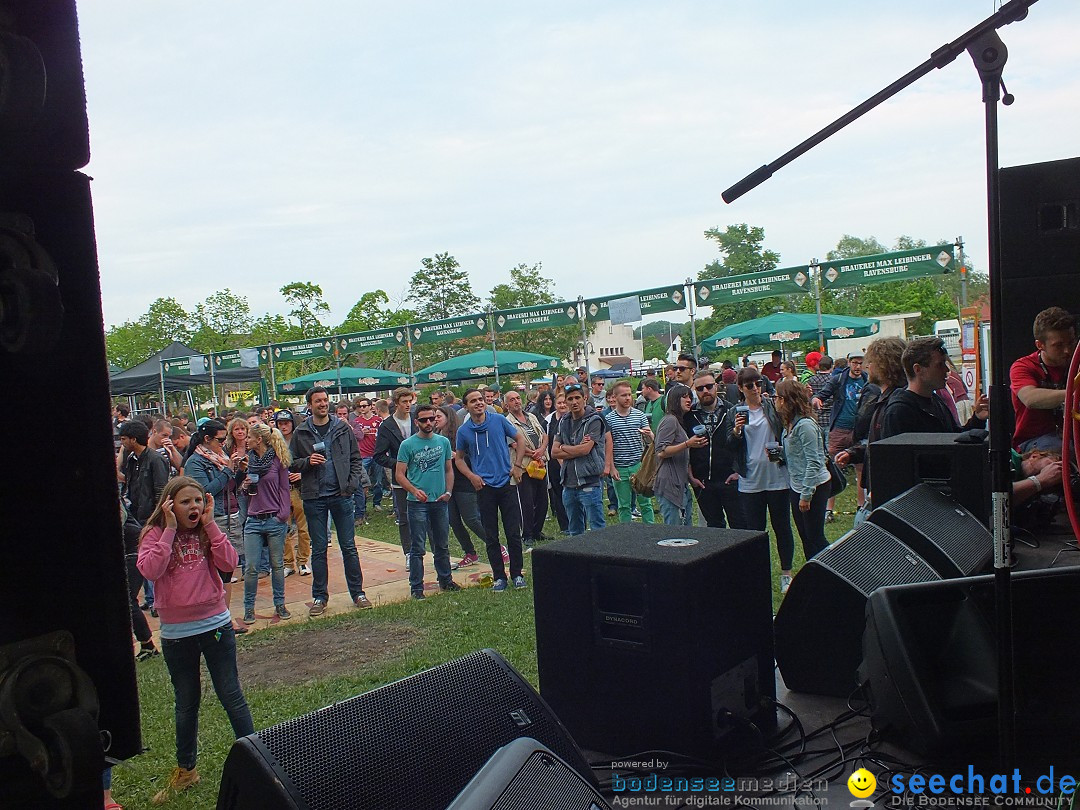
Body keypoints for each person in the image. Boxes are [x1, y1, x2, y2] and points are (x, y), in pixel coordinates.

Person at [136, 477, 254, 805]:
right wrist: (170, 529)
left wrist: (212, 525)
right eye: (185, 502)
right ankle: (186, 769)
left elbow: (230, 564)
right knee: (187, 701)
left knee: (231, 693)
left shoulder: (206, 530)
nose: (194, 507)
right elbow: (150, 571)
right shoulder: (155, 534)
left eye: (198, 501)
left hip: (215, 626)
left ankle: (259, 755)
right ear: (169, 504)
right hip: (177, 634)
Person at [289, 386, 371, 616]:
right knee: (318, 550)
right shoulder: (301, 432)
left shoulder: (342, 428)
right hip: (314, 497)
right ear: (310, 405)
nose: (323, 404)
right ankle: (319, 597)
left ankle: (358, 593)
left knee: (349, 547)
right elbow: (291, 462)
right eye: (318, 401)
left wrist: (351, 484)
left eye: (325, 400)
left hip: (341, 495)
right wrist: (307, 462)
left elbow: (356, 458)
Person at [725, 367, 795, 593]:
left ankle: (786, 573)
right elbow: (729, 445)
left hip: (776, 475)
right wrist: (736, 431)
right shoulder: (735, 411)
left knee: (782, 526)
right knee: (755, 530)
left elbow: (787, 428)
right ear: (740, 388)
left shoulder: (772, 406)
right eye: (749, 385)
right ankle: (758, 573)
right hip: (750, 478)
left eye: (758, 383)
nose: (755, 388)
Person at [456, 389, 528, 590]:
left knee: (513, 532)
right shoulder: (464, 431)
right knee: (491, 534)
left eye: (480, 399)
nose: (479, 403)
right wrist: (471, 476)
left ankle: (517, 574)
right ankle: (499, 577)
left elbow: (520, 440)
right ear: (466, 406)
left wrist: (518, 466)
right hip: (484, 486)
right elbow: (459, 458)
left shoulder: (498, 420)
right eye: (473, 401)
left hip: (505, 482)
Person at [182, 419, 247, 634]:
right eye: (220, 440)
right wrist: (228, 471)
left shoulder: (221, 459)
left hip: (230, 515)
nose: (224, 443)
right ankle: (217, 620)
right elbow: (204, 494)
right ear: (207, 439)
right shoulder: (195, 462)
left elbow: (231, 488)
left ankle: (223, 619)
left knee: (227, 570)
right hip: (215, 519)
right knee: (216, 572)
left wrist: (240, 472)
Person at [834, 337, 907, 518]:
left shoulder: (897, 403)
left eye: (871, 361)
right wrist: (856, 452)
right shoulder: (885, 398)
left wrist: (879, 490)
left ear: (884, 365)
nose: (867, 366)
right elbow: (881, 441)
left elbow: (894, 453)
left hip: (889, 496)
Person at [397, 403, 460, 598]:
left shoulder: (443, 442)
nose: (429, 423)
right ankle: (416, 587)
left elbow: (449, 469)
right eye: (424, 420)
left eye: (432, 418)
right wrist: (414, 491)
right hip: (417, 503)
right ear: (416, 422)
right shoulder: (407, 445)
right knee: (418, 547)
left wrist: (448, 492)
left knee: (441, 544)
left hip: (440, 501)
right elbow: (400, 474)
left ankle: (446, 580)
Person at [773, 380, 831, 581]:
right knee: (806, 537)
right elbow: (796, 454)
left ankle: (833, 570)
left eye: (778, 397)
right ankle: (815, 576)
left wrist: (806, 495)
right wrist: (779, 454)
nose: (775, 401)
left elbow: (814, 461)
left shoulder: (804, 425)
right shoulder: (789, 423)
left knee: (816, 536)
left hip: (814, 486)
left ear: (787, 400)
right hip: (796, 485)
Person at [880, 337, 989, 438]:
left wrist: (977, 418)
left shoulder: (936, 401)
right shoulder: (899, 412)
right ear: (918, 369)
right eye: (940, 365)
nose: (946, 370)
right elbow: (893, 456)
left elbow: (954, 439)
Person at [239, 422, 293, 624]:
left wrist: (282, 515)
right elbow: (243, 493)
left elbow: (284, 489)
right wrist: (244, 485)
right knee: (251, 567)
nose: (246, 440)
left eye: (249, 437)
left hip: (274, 519)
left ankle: (280, 604)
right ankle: (249, 608)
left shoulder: (277, 461)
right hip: (253, 520)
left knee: (277, 565)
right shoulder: (248, 462)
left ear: (258, 439)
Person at [1010, 306, 1077, 451]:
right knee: (1062, 450)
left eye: (1071, 342)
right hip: (1034, 441)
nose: (1068, 350)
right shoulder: (1023, 366)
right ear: (1040, 345)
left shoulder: (1076, 362)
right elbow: (1030, 398)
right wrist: (1073, 394)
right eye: (1058, 346)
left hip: (1072, 436)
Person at [812, 350, 869, 514]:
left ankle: (861, 507)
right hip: (839, 428)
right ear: (849, 362)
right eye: (854, 362)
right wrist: (816, 400)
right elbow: (821, 395)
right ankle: (829, 508)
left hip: (858, 430)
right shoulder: (838, 379)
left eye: (860, 363)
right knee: (832, 467)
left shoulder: (868, 381)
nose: (857, 366)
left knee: (861, 468)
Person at [552, 382, 611, 536]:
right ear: (566, 402)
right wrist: (574, 449)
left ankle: (599, 558)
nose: (574, 402)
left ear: (585, 398)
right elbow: (553, 452)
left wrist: (564, 447)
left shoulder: (594, 420)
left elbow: (585, 450)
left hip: (589, 481)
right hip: (569, 483)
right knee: (575, 530)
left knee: (597, 528)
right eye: (570, 399)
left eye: (577, 397)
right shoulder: (563, 421)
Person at [684, 371, 741, 528]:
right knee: (714, 528)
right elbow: (685, 449)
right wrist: (691, 476)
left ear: (716, 386)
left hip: (729, 479)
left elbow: (743, 444)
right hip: (703, 483)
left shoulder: (731, 410)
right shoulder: (689, 415)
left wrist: (738, 471)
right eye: (700, 388)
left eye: (709, 386)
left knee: (739, 526)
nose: (705, 391)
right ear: (695, 390)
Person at [373, 387, 418, 565]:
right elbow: (378, 455)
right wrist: (398, 464)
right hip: (400, 478)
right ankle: (409, 552)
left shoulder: (417, 420)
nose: (408, 405)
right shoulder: (387, 426)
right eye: (404, 402)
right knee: (404, 516)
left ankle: (429, 550)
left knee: (427, 515)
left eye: (410, 401)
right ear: (396, 403)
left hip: (422, 475)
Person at [436, 404, 485, 567]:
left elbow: (474, 459)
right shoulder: (436, 437)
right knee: (454, 521)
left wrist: (458, 456)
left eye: (438, 417)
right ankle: (470, 552)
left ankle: (497, 545)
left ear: (448, 418)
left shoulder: (460, 436)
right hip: (447, 486)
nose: (434, 420)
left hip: (464, 484)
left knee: (471, 519)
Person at [603, 380, 655, 524]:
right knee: (624, 505)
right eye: (623, 395)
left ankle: (650, 531)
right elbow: (608, 446)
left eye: (629, 395)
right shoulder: (609, 419)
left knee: (645, 503)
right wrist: (612, 467)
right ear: (615, 397)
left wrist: (649, 435)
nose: (627, 398)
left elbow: (651, 442)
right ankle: (626, 534)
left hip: (639, 466)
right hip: (620, 467)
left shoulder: (640, 415)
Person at [504, 390, 550, 551]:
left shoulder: (532, 416)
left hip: (539, 464)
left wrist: (541, 450)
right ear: (506, 404)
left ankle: (537, 531)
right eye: (512, 400)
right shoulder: (507, 422)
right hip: (523, 466)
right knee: (526, 502)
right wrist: (533, 454)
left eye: (518, 398)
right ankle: (527, 534)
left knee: (543, 500)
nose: (516, 401)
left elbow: (545, 436)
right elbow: (515, 445)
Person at [655, 384, 705, 525]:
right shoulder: (669, 420)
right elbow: (661, 451)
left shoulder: (679, 421)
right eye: (684, 397)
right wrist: (688, 444)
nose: (689, 400)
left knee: (686, 528)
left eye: (690, 396)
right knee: (675, 533)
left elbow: (683, 455)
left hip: (681, 484)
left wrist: (691, 478)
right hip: (669, 485)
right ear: (675, 400)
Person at [273, 410, 310, 576]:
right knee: (283, 528)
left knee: (303, 528)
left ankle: (303, 562)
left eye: (286, 422)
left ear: (292, 423)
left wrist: (302, 474)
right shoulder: (272, 444)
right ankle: (288, 562)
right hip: (281, 490)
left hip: (299, 489)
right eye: (280, 423)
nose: (284, 426)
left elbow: (311, 461)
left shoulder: (300, 441)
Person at [120, 419, 171, 523]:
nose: (122, 442)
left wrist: (157, 517)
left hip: (150, 518)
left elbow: (161, 491)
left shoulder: (156, 459)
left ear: (133, 439)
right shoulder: (131, 458)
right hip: (135, 514)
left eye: (124, 439)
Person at [352, 397, 385, 512]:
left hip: (376, 454)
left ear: (371, 406)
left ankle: (377, 502)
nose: (362, 408)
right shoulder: (357, 422)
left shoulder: (378, 420)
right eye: (360, 406)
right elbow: (354, 437)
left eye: (364, 406)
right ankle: (362, 505)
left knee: (378, 481)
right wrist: (360, 433)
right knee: (362, 482)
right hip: (363, 454)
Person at [544, 393, 571, 534]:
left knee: (572, 493)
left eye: (564, 402)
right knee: (559, 494)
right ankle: (564, 526)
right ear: (555, 405)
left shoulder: (573, 418)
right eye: (559, 403)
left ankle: (576, 522)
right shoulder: (549, 421)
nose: (562, 405)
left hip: (570, 461)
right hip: (554, 462)